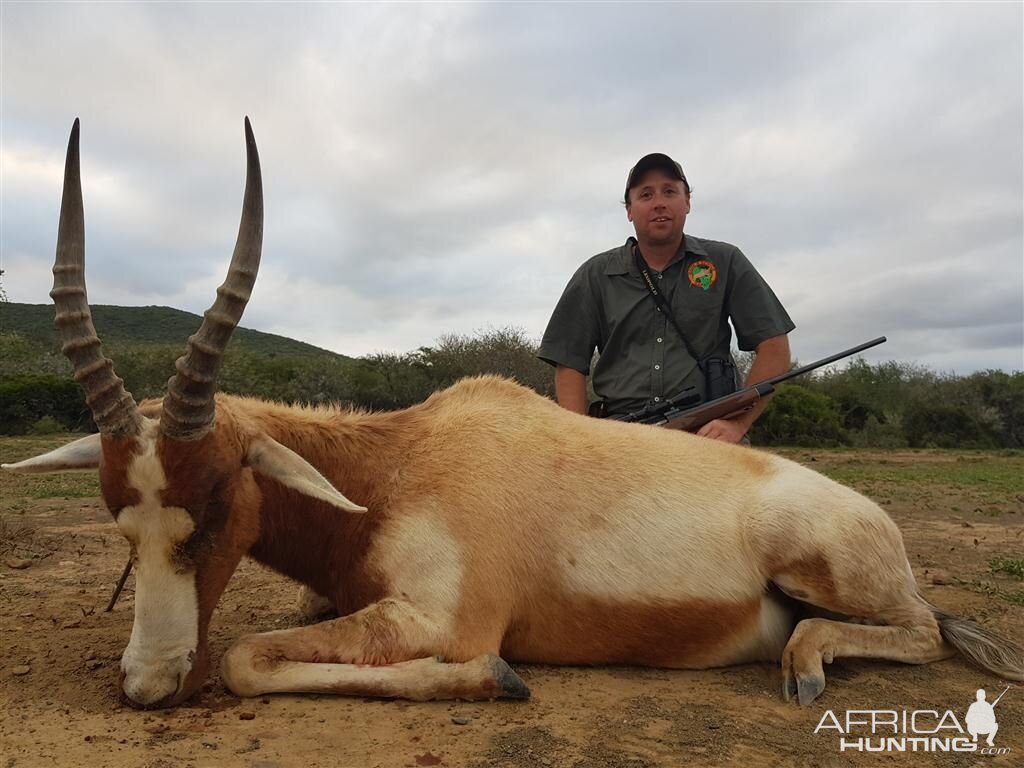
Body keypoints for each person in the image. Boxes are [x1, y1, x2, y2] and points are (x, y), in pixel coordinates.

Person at [538, 153, 794, 443]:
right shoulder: (594, 274)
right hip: (620, 440)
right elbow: (569, 364)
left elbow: (774, 346)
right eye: (645, 194)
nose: (659, 202)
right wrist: (582, 441)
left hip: (709, 439)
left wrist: (737, 424)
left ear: (687, 202)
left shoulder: (726, 261)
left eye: (670, 191)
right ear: (629, 210)